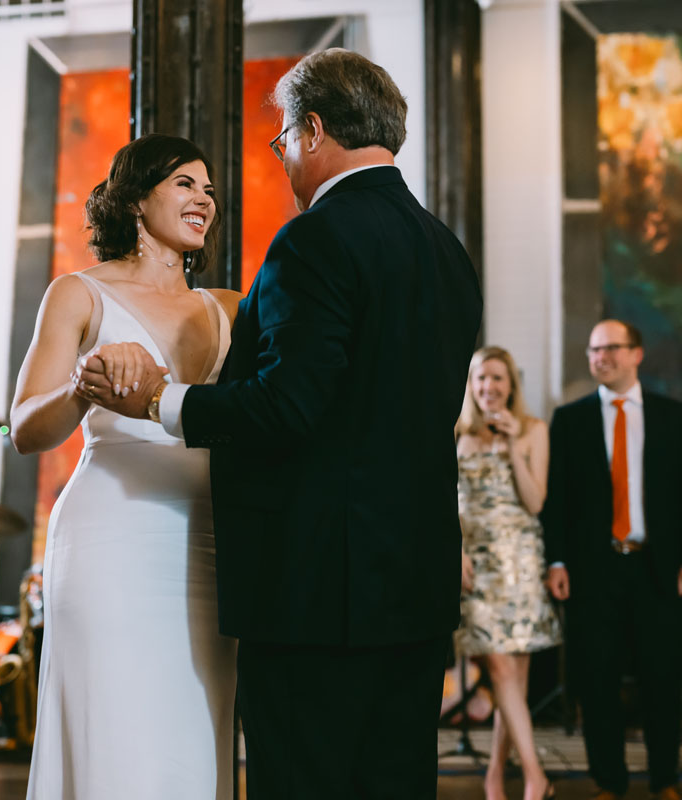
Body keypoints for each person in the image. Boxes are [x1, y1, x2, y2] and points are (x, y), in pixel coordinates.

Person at [75, 49, 482, 799]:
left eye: (283, 140)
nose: (285, 157)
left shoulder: (314, 238)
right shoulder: (445, 249)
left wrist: (159, 402)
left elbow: (288, 406)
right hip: (412, 585)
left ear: (313, 130)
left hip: (317, 592)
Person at [10, 133, 242, 799]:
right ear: (137, 200)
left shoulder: (228, 308)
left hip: (207, 542)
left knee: (196, 732)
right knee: (116, 725)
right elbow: (25, 429)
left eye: (209, 188)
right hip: (111, 537)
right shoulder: (77, 294)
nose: (205, 198)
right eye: (185, 184)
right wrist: (82, 387)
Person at [540, 320, 682, 800]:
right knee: (596, 682)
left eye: (611, 348)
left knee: (662, 680)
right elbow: (559, 504)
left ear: (637, 354)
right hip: (594, 573)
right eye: (594, 350)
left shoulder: (672, 416)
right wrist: (556, 562)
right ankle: (608, 782)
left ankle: (665, 781)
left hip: (657, 569)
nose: (600, 357)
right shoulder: (569, 420)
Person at [454, 346, 559, 800]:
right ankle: (536, 776)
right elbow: (443, 502)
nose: (488, 387)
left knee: (512, 680)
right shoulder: (456, 432)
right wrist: (455, 551)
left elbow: (536, 502)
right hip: (474, 564)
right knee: (497, 668)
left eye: (497, 379)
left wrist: (513, 444)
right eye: (480, 379)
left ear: (511, 385)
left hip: (520, 562)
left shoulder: (534, 431)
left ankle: (495, 777)